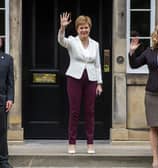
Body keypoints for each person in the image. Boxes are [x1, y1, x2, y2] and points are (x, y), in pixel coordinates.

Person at [58, 12, 103, 154]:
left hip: (91, 79)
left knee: (90, 111)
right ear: (77, 29)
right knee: (74, 111)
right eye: (81, 28)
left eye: (86, 27)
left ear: (90, 28)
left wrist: (99, 83)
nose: (84, 30)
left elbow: (97, 64)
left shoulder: (95, 44)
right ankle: (72, 142)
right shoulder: (72, 41)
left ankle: (90, 143)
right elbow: (61, 41)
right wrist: (62, 28)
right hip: (74, 78)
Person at [129, 23, 158, 168]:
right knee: (153, 127)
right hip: (151, 94)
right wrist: (132, 52)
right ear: (157, 35)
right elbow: (134, 65)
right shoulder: (150, 51)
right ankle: (155, 159)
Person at [0, 37, 14, 168]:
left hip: (1, 99)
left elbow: (10, 82)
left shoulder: (8, 59)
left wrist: (10, 98)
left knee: (2, 131)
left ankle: (3, 160)